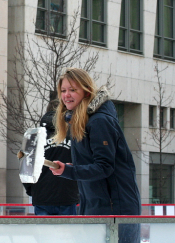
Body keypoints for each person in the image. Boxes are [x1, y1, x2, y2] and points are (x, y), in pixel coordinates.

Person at [49, 68, 141, 242]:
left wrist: (69, 172)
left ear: (86, 91)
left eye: (73, 90)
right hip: (95, 205)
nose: (66, 95)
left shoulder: (99, 122)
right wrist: (69, 169)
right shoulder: (81, 121)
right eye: (63, 90)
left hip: (115, 208)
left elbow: (104, 167)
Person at [22, 97, 79, 215]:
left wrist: (33, 190)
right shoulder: (75, 135)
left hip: (42, 197)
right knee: (67, 233)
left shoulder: (34, 136)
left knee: (44, 233)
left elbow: (25, 168)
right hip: (68, 196)